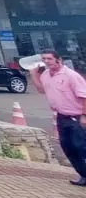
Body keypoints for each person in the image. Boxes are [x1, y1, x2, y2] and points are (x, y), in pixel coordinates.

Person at [29, 49, 86, 186]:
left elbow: (84, 96)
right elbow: (41, 89)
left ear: (58, 60)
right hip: (62, 116)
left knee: (81, 147)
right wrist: (33, 75)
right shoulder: (46, 75)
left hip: (76, 117)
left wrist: (84, 116)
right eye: (44, 59)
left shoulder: (70, 75)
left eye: (49, 58)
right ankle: (84, 175)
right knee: (67, 147)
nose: (46, 61)